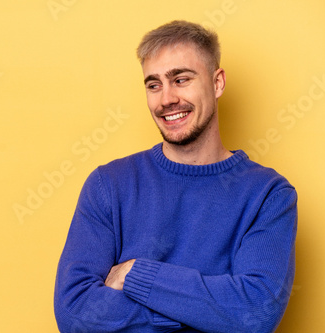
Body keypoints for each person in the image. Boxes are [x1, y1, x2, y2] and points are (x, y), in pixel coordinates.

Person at [54, 20, 297, 333]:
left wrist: (133, 274)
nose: (166, 99)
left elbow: (255, 314)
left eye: (180, 79)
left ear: (217, 82)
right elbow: (74, 315)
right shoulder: (108, 185)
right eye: (153, 85)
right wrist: (200, 312)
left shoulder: (268, 195)